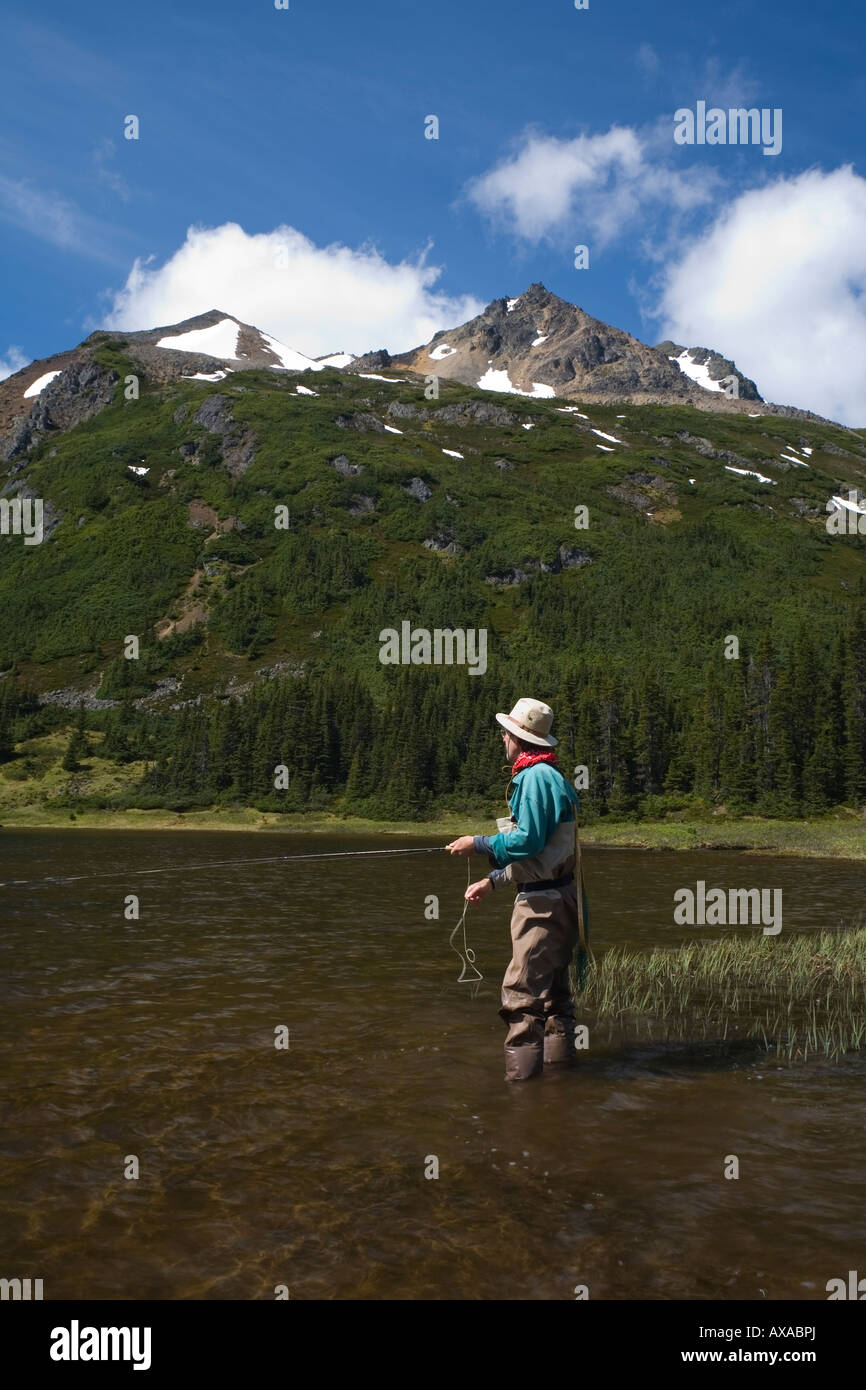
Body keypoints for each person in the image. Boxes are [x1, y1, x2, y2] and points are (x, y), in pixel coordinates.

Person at [446, 698, 586, 1082]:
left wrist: (477, 843)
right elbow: (544, 851)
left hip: (541, 906)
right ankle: (561, 1083)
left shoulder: (533, 778)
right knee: (556, 998)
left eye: (505, 734)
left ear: (518, 738)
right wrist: (492, 881)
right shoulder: (553, 777)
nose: (502, 740)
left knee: (521, 998)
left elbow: (526, 841)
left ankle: (522, 1096)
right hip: (562, 899)